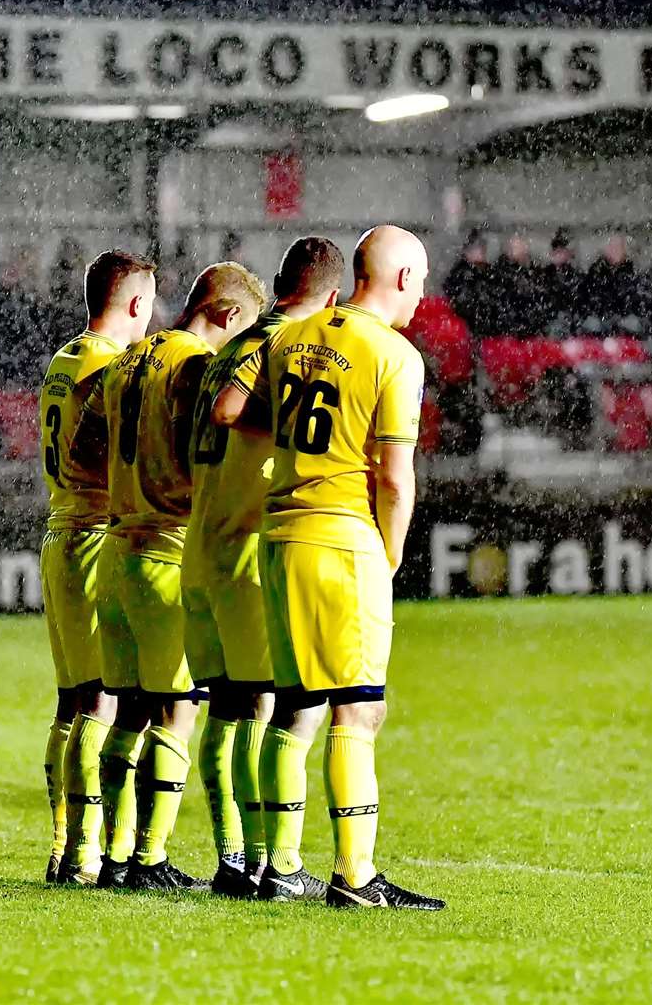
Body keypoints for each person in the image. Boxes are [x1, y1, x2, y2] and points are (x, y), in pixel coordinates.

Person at [214, 225, 444, 910]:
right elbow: (396, 480)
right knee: (358, 712)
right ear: (402, 279)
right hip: (344, 541)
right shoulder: (395, 356)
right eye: (422, 280)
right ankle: (355, 874)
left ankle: (277, 864)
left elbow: (243, 415)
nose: (423, 294)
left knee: (295, 705)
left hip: (280, 536)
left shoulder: (290, 337)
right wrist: (391, 554)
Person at [77, 261, 263, 890]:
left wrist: (131, 478)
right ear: (230, 315)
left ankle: (114, 855)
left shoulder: (125, 360)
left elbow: (82, 449)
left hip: (114, 554)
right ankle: (151, 859)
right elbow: (199, 448)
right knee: (176, 716)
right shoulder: (192, 366)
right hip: (163, 552)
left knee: (127, 712)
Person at [186, 236, 343, 898]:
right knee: (260, 708)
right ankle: (265, 862)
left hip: (204, 543)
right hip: (247, 548)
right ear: (330, 298)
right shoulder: (276, 344)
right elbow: (230, 413)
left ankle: (233, 858)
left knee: (226, 711)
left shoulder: (225, 351)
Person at [37, 250, 157, 885]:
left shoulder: (64, 359)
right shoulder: (109, 367)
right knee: (99, 702)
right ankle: (84, 853)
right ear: (136, 304)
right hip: (90, 533)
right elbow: (96, 449)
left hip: (58, 529)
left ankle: (63, 846)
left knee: (69, 702)